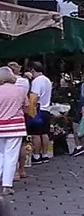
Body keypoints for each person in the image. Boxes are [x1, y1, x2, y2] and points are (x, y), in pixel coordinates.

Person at [0, 67, 29, 195]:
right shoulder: (21, 91)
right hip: (16, 126)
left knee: (1, 154)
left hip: (0, 126)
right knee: (11, 155)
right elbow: (27, 108)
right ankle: (7, 185)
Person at [7, 62, 29, 180]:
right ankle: (22, 169)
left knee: (6, 150)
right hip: (20, 118)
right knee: (21, 144)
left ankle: (13, 172)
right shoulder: (24, 82)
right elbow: (27, 104)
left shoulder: (2, 87)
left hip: (5, 120)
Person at [27, 62, 52, 165]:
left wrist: (30, 110)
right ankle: (45, 154)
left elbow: (34, 97)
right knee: (44, 133)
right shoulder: (47, 80)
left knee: (35, 134)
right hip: (46, 109)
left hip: (38, 110)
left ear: (33, 70)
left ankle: (36, 155)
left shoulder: (36, 81)